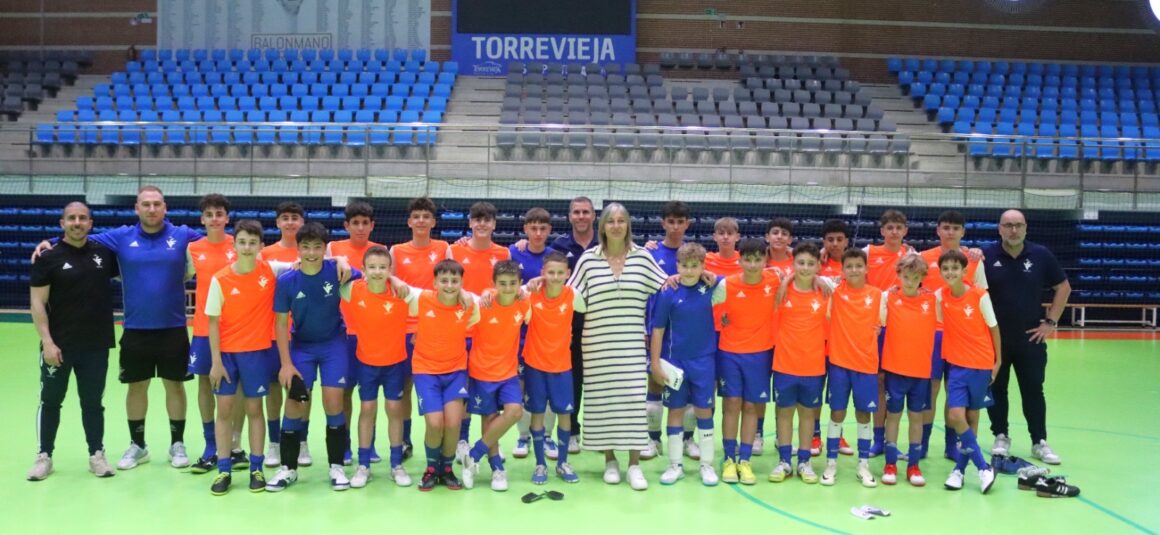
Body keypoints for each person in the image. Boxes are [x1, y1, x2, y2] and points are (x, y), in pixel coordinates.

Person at [34, 186, 201, 470]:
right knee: (137, 386)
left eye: (157, 204)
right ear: (137, 208)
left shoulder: (183, 235)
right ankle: (138, 445)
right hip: (135, 328)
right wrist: (48, 241)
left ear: (165, 207)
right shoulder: (121, 236)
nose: (151, 209)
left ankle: (177, 443)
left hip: (174, 326)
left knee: (175, 385)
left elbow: (217, 242)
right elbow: (77, 237)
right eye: (145, 204)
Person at [567, 203, 667, 491]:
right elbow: (568, 294)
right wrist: (539, 284)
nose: (616, 226)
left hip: (632, 344)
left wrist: (703, 280)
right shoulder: (588, 260)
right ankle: (610, 460)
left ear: (628, 226)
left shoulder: (643, 257)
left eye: (621, 221)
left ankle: (634, 464)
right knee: (602, 402)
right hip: (596, 345)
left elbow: (665, 287)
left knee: (634, 400)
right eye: (611, 221)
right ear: (603, 226)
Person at [27, 201, 119, 481]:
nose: (77, 223)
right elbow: (37, 302)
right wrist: (47, 342)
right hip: (59, 346)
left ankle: (97, 455)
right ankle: (44, 456)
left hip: (96, 345)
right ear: (62, 223)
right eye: (71, 218)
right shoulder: (48, 257)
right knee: (50, 401)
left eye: (82, 218)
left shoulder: (105, 254)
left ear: (90, 223)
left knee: (93, 403)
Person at [267, 223, 357, 492]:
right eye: (305, 247)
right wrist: (286, 364)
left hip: (333, 346)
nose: (311, 252)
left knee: (333, 402)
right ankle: (288, 468)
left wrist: (342, 259)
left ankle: (336, 466)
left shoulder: (336, 271)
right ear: (298, 249)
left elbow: (369, 275)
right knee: (294, 404)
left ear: (325, 249)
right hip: (301, 348)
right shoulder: (287, 281)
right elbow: (280, 324)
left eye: (317, 247)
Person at [204, 220, 289, 495]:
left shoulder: (271, 270)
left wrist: (340, 263)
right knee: (224, 411)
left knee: (255, 410)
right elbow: (213, 323)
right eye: (242, 242)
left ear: (261, 246)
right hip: (227, 356)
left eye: (253, 242)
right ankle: (224, 470)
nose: (247, 247)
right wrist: (216, 362)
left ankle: (256, 468)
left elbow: (304, 263)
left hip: (256, 354)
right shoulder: (220, 279)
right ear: (234, 245)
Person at [984, 209, 1070, 465]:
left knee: (1033, 390)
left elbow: (1063, 287)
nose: (1013, 230)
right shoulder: (987, 256)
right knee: (996, 388)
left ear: (1025, 228)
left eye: (1018, 225)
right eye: (1008, 225)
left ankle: (1039, 441)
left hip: (1031, 339)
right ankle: (1000, 435)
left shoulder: (1041, 255)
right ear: (999, 228)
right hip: (995, 339)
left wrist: (1050, 323)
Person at [650, 243, 725, 487]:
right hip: (675, 363)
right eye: (684, 266)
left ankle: (706, 465)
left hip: (704, 361)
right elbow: (658, 330)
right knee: (675, 411)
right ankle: (675, 465)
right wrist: (655, 364)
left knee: (704, 410)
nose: (689, 270)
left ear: (703, 265)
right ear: (677, 266)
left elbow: (732, 281)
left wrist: (712, 275)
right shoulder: (668, 292)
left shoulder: (710, 286)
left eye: (695, 266)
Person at [342, 246, 418, 488]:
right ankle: (363, 465)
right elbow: (331, 268)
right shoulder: (352, 289)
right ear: (363, 269)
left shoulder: (402, 292)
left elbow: (433, 299)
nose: (377, 272)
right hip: (366, 364)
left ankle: (396, 465)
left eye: (383, 267)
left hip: (395, 363)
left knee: (394, 410)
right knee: (367, 410)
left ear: (390, 269)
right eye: (372, 267)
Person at [186, 194, 251, 474]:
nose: (214, 218)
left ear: (227, 218)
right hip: (204, 328)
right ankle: (210, 445)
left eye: (219, 214)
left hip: (236, 330)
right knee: (205, 383)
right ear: (203, 219)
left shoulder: (239, 245)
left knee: (237, 385)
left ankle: (235, 444)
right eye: (209, 214)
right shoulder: (192, 249)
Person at [919, 210, 988, 460]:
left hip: (963, 338)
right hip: (932, 335)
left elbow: (982, 298)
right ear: (938, 230)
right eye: (946, 227)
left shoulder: (974, 260)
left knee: (954, 391)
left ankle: (951, 446)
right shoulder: (923, 258)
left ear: (963, 232)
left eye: (956, 228)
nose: (950, 232)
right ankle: (922, 445)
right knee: (930, 390)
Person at [390, 196, 451, 459]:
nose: (421, 221)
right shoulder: (396, 251)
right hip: (403, 330)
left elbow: (452, 280)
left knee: (433, 386)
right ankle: (405, 440)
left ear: (433, 222)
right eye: (416, 216)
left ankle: (441, 441)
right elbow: (388, 282)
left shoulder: (444, 248)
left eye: (426, 216)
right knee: (405, 387)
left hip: (435, 330)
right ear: (409, 221)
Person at [410, 260, 479, 492]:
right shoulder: (422, 298)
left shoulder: (470, 303)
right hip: (426, 371)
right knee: (434, 422)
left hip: (455, 371)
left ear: (462, 283)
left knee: (453, 423)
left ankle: (447, 469)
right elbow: (397, 285)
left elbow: (494, 297)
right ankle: (431, 469)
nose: (449, 285)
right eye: (444, 281)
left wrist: (467, 294)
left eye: (455, 281)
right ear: (435, 283)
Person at [449, 201, 511, 458]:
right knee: (463, 389)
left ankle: (491, 441)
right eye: (478, 219)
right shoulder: (455, 250)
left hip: (491, 335)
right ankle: (462, 440)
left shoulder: (504, 253)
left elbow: (508, 288)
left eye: (487, 220)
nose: (482, 224)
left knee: (489, 390)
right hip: (462, 331)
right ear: (470, 223)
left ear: (494, 224)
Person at [716, 238, 779, 486]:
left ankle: (745, 459)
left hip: (760, 353)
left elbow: (803, 276)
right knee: (732, 403)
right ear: (739, 260)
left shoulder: (775, 279)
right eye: (748, 260)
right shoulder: (726, 284)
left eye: (758, 259)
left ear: (765, 260)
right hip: (730, 352)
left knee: (752, 406)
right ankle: (729, 459)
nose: (753, 265)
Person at [936, 249, 999, 494]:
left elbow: (994, 328)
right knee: (955, 415)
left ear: (965, 271)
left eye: (955, 268)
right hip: (957, 366)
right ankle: (983, 467)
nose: (950, 272)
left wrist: (998, 361)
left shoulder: (980, 295)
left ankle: (959, 471)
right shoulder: (941, 296)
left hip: (981, 364)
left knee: (972, 417)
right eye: (945, 268)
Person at [462, 261, 528, 491]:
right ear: (494, 284)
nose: (508, 288)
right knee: (489, 420)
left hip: (508, 372)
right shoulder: (482, 304)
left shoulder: (524, 304)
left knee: (515, 411)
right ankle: (497, 469)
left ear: (520, 284)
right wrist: (485, 293)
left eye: (513, 283)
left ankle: (474, 454)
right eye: (502, 283)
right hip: (482, 372)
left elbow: (539, 288)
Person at [523, 251, 585, 484]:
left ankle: (562, 463)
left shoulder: (573, 295)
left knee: (564, 415)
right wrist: (530, 284)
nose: (556, 277)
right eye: (551, 272)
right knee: (537, 414)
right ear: (543, 273)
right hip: (535, 366)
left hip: (562, 367)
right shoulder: (531, 294)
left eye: (560, 272)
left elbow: (587, 310)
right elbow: (509, 294)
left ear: (568, 273)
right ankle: (540, 464)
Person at [820, 249, 881, 488]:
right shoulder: (834, 291)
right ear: (842, 270)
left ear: (866, 269)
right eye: (849, 266)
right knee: (837, 413)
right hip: (839, 365)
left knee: (863, 415)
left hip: (866, 365)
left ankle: (863, 465)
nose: (854, 270)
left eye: (858, 265)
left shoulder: (878, 295)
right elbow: (809, 274)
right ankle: (831, 463)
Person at [328, 200, 381, 465]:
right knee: (345, 392)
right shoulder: (334, 249)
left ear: (372, 225)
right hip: (344, 334)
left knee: (370, 395)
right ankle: (346, 445)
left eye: (365, 223)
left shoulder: (381, 251)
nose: (360, 228)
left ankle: (369, 445)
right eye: (355, 223)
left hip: (373, 334)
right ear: (346, 225)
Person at [770, 243, 828, 484]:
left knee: (807, 414)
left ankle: (804, 461)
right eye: (800, 263)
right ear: (792, 264)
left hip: (813, 366)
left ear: (818, 266)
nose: (805, 268)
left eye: (810, 263)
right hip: (784, 364)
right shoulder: (780, 290)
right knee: (784, 413)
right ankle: (785, 461)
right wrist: (787, 279)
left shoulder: (826, 292)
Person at [643, 200, 695, 461]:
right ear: (663, 223)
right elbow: (644, 294)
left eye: (680, 222)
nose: (675, 227)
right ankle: (653, 439)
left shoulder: (694, 255)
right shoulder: (650, 254)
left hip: (686, 332)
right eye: (671, 222)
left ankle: (687, 439)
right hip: (657, 331)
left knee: (688, 385)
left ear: (687, 224)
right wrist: (645, 328)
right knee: (655, 380)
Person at [880, 254, 937, 487]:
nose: (910, 282)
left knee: (916, 418)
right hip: (895, 370)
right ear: (899, 275)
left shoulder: (932, 300)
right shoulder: (889, 297)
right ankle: (890, 464)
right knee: (893, 416)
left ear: (922, 277)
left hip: (921, 372)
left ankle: (913, 465)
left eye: (915, 278)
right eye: (906, 277)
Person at [509, 207, 560, 461]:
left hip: (548, 336)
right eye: (533, 228)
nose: (538, 233)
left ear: (549, 230)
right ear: (525, 229)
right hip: (519, 334)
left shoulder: (555, 257)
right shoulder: (513, 252)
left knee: (546, 389)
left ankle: (547, 435)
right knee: (521, 387)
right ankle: (523, 436)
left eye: (543, 228)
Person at [863, 209, 914, 457]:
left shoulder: (912, 256)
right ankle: (877, 440)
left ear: (905, 231)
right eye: (890, 227)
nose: (894, 232)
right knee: (879, 382)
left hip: (902, 328)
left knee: (895, 384)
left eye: (899, 227)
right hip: (876, 327)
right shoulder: (868, 252)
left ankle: (892, 441)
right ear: (882, 230)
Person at [549, 196, 597, 453]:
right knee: (573, 380)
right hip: (571, 325)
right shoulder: (559, 245)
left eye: (585, 212)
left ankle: (601, 432)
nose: (581, 216)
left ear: (594, 216)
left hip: (601, 323)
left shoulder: (606, 243)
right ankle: (573, 431)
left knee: (600, 380)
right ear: (569, 216)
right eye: (576, 212)